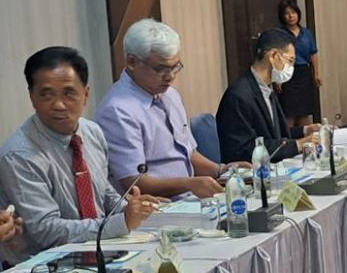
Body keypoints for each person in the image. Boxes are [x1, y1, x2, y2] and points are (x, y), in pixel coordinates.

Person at [0, 47, 160, 263]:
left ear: (86, 94)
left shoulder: (92, 132)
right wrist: (121, 222)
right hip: (51, 263)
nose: (58, 105)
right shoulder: (19, 155)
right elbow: (47, 231)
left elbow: (103, 194)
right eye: (46, 94)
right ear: (31, 96)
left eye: (69, 93)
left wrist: (133, 209)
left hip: (106, 253)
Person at [96, 19, 250, 199]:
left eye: (175, 67)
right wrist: (190, 184)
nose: (170, 77)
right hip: (156, 208)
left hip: (189, 200)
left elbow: (187, 153)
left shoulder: (170, 95)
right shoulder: (117, 110)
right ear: (132, 62)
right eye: (160, 69)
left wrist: (221, 170)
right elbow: (134, 183)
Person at [216, 29, 320, 163]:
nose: (291, 67)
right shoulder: (238, 96)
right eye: (290, 60)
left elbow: (275, 135)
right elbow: (244, 150)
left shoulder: (267, 89)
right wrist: (298, 144)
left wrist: (305, 130)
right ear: (273, 56)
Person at [276, 0, 321, 127]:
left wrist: (316, 74)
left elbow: (313, 53)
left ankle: (306, 136)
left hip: (304, 73)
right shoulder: (280, 34)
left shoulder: (306, 33)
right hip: (287, 74)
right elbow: (277, 56)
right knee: (289, 111)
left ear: (298, 14)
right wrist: (278, 77)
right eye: (287, 13)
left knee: (304, 111)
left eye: (293, 12)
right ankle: (289, 137)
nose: (291, 16)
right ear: (282, 16)